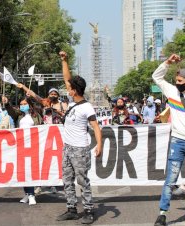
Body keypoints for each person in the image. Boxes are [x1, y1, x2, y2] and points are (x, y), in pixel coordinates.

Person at [152, 54, 185, 226]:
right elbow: (156, 77)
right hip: (178, 142)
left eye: (180, 81)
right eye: (176, 80)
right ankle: (162, 214)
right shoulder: (172, 92)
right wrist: (168, 62)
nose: (177, 83)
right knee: (171, 179)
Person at [56, 51, 102, 224]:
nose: (68, 89)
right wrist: (64, 61)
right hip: (67, 148)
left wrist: (99, 145)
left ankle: (89, 210)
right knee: (67, 180)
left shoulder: (86, 107)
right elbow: (67, 78)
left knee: (82, 181)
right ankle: (72, 209)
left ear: (74, 91)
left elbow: (96, 127)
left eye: (70, 88)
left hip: (80, 149)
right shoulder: (73, 101)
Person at [3, 94, 42, 205]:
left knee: (31, 171)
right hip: (21, 146)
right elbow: (11, 111)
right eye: (21, 104)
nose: (23, 106)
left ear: (30, 105)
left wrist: (32, 96)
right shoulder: (18, 116)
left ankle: (31, 194)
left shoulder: (36, 115)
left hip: (33, 146)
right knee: (23, 172)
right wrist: (6, 103)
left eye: (25, 104)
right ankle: (27, 194)